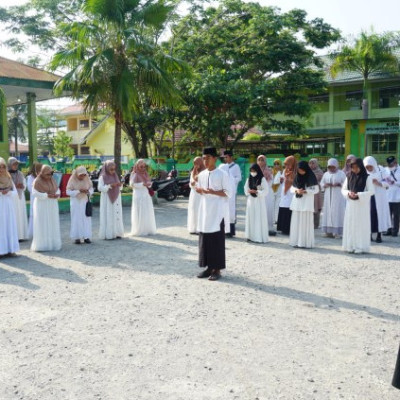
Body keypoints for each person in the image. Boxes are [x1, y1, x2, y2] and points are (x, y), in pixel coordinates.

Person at [196, 147, 231, 281]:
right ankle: (208, 267)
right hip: (205, 210)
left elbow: (228, 192)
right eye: (203, 158)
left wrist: (213, 192)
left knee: (216, 240)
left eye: (208, 158)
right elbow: (200, 189)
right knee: (205, 239)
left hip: (218, 211)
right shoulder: (202, 175)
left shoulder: (222, 174)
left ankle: (217, 269)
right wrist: (200, 190)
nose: (205, 160)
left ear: (215, 158)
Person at [342, 158, 375, 254]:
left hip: (361, 206)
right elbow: (343, 189)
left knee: (360, 225)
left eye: (357, 167)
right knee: (351, 224)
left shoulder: (367, 177)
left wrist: (359, 194)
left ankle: (360, 247)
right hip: (351, 205)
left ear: (361, 167)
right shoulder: (348, 176)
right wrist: (349, 193)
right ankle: (350, 245)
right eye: (353, 167)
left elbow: (372, 191)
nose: (355, 169)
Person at [31, 165, 62, 252]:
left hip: (52, 204)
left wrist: (56, 194)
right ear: (43, 173)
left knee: (52, 222)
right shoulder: (37, 181)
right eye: (47, 174)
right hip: (42, 204)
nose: (49, 176)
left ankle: (52, 243)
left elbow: (57, 189)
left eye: (51, 174)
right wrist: (46, 195)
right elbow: (34, 193)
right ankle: (42, 245)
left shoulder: (52, 180)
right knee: (42, 223)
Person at [289, 161, 319, 248]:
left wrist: (306, 191)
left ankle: (304, 243)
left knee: (305, 223)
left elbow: (316, 189)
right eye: (299, 170)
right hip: (297, 203)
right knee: (296, 222)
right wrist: (296, 190)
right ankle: (295, 241)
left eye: (302, 170)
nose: (300, 172)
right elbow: (292, 188)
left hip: (306, 203)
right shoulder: (297, 177)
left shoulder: (311, 176)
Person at [363, 156, 391, 243]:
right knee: (369, 216)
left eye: (370, 166)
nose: (369, 168)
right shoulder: (364, 173)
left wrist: (378, 183)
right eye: (367, 167)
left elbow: (389, 183)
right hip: (369, 197)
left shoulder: (382, 171)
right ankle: (369, 234)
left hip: (380, 197)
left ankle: (379, 235)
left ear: (374, 164)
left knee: (379, 215)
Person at [66, 166, 94, 244]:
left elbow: (91, 189)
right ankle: (77, 237)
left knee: (86, 219)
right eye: (81, 175)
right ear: (77, 174)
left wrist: (88, 191)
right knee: (76, 219)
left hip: (85, 201)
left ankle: (86, 237)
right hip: (76, 202)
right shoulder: (72, 180)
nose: (82, 177)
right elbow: (68, 191)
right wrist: (78, 191)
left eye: (84, 175)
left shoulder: (87, 179)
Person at [320, 158, 346, 238]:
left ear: (336, 166)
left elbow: (346, 184)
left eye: (333, 166)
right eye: (330, 167)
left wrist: (339, 184)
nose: (331, 168)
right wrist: (325, 185)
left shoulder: (341, 173)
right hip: (328, 196)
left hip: (338, 196)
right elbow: (321, 183)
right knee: (328, 212)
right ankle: (328, 231)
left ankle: (337, 232)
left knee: (337, 212)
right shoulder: (326, 174)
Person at [98, 160, 124, 240]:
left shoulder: (115, 176)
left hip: (116, 198)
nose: (113, 171)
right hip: (107, 198)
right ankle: (109, 234)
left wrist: (120, 185)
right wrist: (109, 186)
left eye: (114, 169)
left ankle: (117, 233)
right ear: (106, 168)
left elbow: (120, 188)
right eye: (111, 169)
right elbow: (100, 188)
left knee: (116, 214)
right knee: (109, 214)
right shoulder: (102, 177)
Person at [130, 159, 156, 236]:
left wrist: (148, 184)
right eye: (141, 166)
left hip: (146, 194)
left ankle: (147, 229)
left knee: (146, 211)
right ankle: (140, 230)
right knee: (140, 211)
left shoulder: (145, 173)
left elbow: (149, 183)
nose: (143, 168)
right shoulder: (134, 174)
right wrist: (142, 184)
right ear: (137, 166)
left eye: (144, 166)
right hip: (138, 195)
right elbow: (132, 184)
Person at [244, 163, 269, 243]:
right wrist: (249, 191)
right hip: (251, 200)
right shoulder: (249, 178)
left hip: (259, 201)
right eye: (251, 171)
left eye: (254, 171)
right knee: (251, 217)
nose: (252, 172)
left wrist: (257, 191)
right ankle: (250, 236)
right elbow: (246, 188)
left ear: (257, 170)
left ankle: (258, 237)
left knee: (258, 218)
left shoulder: (262, 179)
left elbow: (266, 191)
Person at [219, 150, 241, 237]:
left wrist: (231, 180)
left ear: (231, 157)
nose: (225, 159)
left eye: (226, 157)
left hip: (231, 190)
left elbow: (238, 177)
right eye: (224, 157)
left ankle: (230, 229)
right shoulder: (223, 166)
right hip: (223, 190)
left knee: (231, 209)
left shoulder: (236, 166)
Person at [0, 157, 19, 258]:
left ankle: (10, 249)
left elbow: (15, 193)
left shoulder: (8, 178)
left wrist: (8, 192)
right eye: (0, 167)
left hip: (7, 205)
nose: (1, 169)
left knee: (9, 225)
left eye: (3, 167)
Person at [8, 157, 29, 241]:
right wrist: (14, 187)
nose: (15, 166)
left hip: (20, 197)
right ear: (10, 164)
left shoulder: (20, 173)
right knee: (14, 215)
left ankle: (21, 235)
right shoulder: (7, 174)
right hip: (12, 197)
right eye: (14, 164)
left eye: (16, 164)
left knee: (21, 215)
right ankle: (14, 235)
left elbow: (24, 184)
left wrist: (22, 186)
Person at [277, 155, 297, 235]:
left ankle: (288, 229)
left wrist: (289, 180)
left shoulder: (296, 171)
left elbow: (296, 181)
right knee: (283, 209)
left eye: (288, 164)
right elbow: (282, 180)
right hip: (284, 192)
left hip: (291, 193)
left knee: (289, 210)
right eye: (285, 164)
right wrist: (281, 180)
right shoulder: (285, 170)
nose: (287, 166)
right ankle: (282, 228)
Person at [257, 155, 275, 235]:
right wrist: (259, 189)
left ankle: (269, 228)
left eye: (262, 160)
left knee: (268, 209)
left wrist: (263, 189)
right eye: (259, 160)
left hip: (267, 193)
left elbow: (271, 182)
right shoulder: (255, 170)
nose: (261, 162)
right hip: (259, 193)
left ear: (265, 161)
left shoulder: (269, 170)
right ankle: (260, 228)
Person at [187, 156, 205, 234]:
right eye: (194, 163)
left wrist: (197, 184)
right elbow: (190, 183)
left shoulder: (205, 171)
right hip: (194, 194)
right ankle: (193, 228)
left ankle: (200, 228)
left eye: (197, 163)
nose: (195, 165)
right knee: (193, 210)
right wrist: (192, 184)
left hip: (201, 194)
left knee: (200, 210)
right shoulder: (193, 171)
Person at [384, 156, 400, 237]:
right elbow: (383, 179)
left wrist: (395, 183)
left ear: (395, 162)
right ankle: (388, 230)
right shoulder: (386, 170)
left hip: (397, 196)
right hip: (388, 195)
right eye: (389, 164)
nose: (390, 166)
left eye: (391, 164)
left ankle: (395, 231)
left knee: (396, 215)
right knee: (388, 215)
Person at [27, 162, 42, 238]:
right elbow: (30, 188)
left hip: (42, 197)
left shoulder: (42, 177)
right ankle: (33, 232)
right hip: (34, 198)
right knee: (34, 214)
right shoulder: (30, 177)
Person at [309, 158, 324, 229]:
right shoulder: (307, 171)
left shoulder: (320, 171)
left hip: (316, 192)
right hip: (309, 191)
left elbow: (319, 180)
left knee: (316, 208)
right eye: (310, 163)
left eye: (313, 163)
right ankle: (309, 223)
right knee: (309, 207)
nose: (311, 165)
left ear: (316, 164)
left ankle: (316, 224)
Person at [272, 159, 283, 223]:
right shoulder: (271, 171)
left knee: (278, 205)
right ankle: (273, 219)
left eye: (278, 164)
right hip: (272, 190)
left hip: (279, 190)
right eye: (275, 164)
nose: (276, 165)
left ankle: (277, 219)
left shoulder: (283, 172)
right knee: (272, 205)